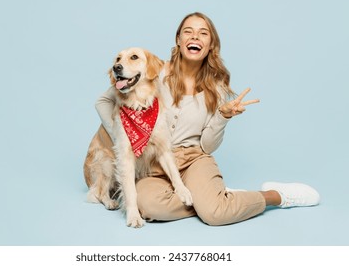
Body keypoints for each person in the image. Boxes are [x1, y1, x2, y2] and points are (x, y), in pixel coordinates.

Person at [95, 12, 320, 225]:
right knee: (150, 207)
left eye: (203, 33)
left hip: (193, 158)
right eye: (188, 31)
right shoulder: (155, 71)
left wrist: (223, 116)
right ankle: (215, 198)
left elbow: (207, 146)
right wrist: (119, 133)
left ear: (210, 44)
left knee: (214, 214)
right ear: (179, 40)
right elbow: (104, 101)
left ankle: (274, 196)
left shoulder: (216, 87)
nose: (194, 36)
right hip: (154, 162)